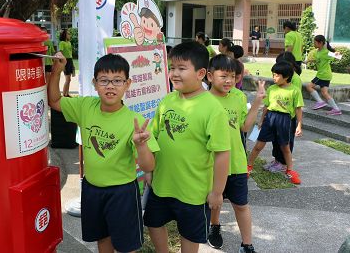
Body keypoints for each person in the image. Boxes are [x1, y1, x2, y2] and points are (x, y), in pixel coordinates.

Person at [48, 53, 159, 252]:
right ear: (94, 83)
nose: (110, 86)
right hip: (92, 189)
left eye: (117, 80)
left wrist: (141, 146)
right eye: (104, 80)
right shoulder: (85, 106)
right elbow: (55, 101)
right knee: (102, 239)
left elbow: (148, 166)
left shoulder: (134, 120)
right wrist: (56, 72)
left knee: (127, 246)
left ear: (128, 84)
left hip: (122, 193)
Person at [143, 41, 230, 253]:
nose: (174, 73)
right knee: (153, 222)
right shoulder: (167, 101)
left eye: (182, 69)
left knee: (189, 234)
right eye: (172, 68)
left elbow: (222, 154)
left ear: (201, 73)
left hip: (193, 190)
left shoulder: (213, 109)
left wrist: (217, 192)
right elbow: (154, 136)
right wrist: (149, 170)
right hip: (162, 184)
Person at [206, 54, 265, 253]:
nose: (229, 80)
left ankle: (247, 245)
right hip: (211, 163)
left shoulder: (239, 97)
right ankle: (214, 227)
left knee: (241, 205)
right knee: (215, 201)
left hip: (236, 162)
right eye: (223, 76)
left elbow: (244, 127)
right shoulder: (203, 100)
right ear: (209, 76)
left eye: (232, 76)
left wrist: (257, 102)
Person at [247, 61, 303, 184]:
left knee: (285, 147)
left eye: (277, 75)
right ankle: (248, 167)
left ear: (286, 77)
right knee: (258, 145)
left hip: (285, 120)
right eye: (273, 75)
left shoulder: (294, 91)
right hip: (270, 118)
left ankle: (289, 171)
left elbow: (298, 109)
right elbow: (266, 107)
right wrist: (261, 121)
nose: (274, 78)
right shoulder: (272, 89)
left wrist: (299, 125)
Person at [265, 51, 302, 172]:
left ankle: (284, 163)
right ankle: (277, 160)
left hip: (287, 118)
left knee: (286, 142)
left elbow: (296, 104)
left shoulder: (295, 80)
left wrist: (298, 124)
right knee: (276, 140)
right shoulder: (278, 83)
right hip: (277, 116)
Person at [305, 35, 342, 116]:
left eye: (315, 42)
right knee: (324, 92)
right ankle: (336, 109)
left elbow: (338, 56)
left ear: (320, 43)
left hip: (323, 75)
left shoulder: (326, 52)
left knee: (309, 86)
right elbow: (319, 59)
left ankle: (320, 102)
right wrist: (310, 60)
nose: (313, 43)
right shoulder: (318, 51)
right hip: (326, 74)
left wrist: (336, 53)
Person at [58, 29, 75, 97]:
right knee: (67, 79)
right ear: (64, 35)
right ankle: (64, 94)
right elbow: (61, 54)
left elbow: (70, 54)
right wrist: (63, 65)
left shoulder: (69, 43)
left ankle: (67, 93)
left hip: (70, 60)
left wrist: (72, 64)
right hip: (66, 61)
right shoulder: (62, 43)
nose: (69, 35)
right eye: (68, 34)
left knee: (69, 79)